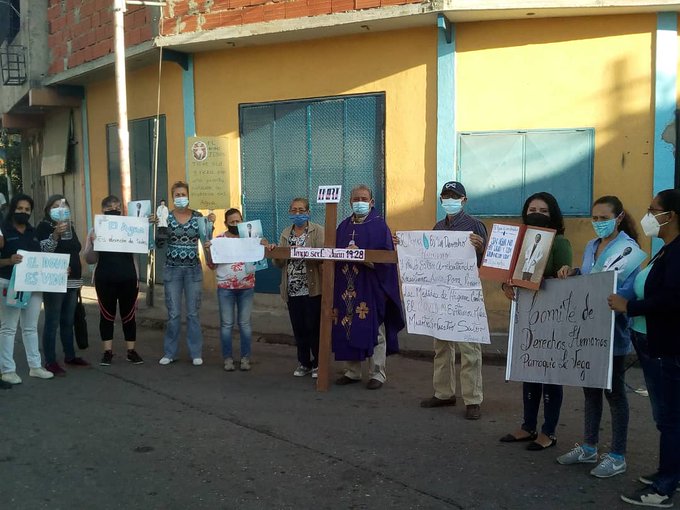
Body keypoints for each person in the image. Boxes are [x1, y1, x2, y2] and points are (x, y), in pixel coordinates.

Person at [555, 196, 640, 478]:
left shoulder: (629, 249)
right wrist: (574, 272)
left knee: (614, 394)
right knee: (590, 390)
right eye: (595, 218)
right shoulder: (592, 246)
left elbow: (627, 290)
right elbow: (590, 277)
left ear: (618, 218)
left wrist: (610, 300)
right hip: (587, 330)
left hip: (613, 332)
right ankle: (589, 446)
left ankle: (617, 455)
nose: (598, 223)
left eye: (604, 218)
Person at [609, 189, 680, 507]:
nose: (648, 215)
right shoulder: (667, 249)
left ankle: (664, 488)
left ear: (671, 215)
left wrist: (629, 306)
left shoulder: (678, 252)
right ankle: (669, 473)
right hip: (652, 341)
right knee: (666, 416)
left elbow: (671, 300)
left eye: (653, 210)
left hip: (668, 344)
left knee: (670, 418)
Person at [499, 192, 572, 450]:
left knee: (550, 374)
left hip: (550, 317)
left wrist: (560, 276)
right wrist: (505, 285)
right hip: (525, 316)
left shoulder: (560, 243)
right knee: (528, 370)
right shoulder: (519, 242)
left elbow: (565, 281)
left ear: (552, 215)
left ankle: (549, 431)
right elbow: (509, 275)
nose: (537, 214)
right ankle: (527, 426)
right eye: (532, 209)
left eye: (543, 210)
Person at [419, 181, 487, 420]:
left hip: (466, 294)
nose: (449, 199)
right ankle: (443, 393)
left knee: (469, 347)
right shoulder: (437, 228)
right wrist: (407, 246)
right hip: (442, 293)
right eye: (445, 196)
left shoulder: (475, 226)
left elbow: (487, 261)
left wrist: (481, 247)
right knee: (442, 345)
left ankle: (473, 399)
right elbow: (427, 256)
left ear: (464, 200)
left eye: (454, 196)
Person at [333, 185, 404, 390]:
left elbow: (387, 260)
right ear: (350, 202)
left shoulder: (379, 226)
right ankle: (352, 371)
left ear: (372, 202)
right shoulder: (343, 227)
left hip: (371, 285)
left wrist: (363, 256)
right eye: (356, 198)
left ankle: (377, 373)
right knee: (348, 326)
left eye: (364, 198)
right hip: (346, 286)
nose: (360, 202)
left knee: (375, 329)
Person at [83, 196, 144, 366]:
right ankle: (107, 352)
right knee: (107, 316)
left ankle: (131, 351)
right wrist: (94, 243)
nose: (114, 209)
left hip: (129, 278)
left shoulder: (130, 227)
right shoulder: (94, 230)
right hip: (105, 279)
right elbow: (89, 259)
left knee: (129, 315)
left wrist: (146, 226)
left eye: (117, 206)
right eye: (110, 207)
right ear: (103, 211)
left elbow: (144, 244)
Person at [0, 194, 54, 383]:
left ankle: (35, 367)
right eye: (20, 208)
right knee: (8, 328)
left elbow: (40, 257)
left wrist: (58, 269)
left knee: (30, 327)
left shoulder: (33, 232)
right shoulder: (3, 231)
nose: (23, 212)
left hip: (33, 285)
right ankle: (7, 370)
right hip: (9, 283)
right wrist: (8, 260)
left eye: (27, 210)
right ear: (12, 209)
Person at [272, 198, 324, 378]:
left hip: (312, 287)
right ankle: (304, 363)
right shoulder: (286, 233)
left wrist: (304, 252)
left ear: (308, 212)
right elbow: (279, 263)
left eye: (301, 210)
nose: (298, 213)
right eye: (294, 210)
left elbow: (323, 256)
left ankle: (318, 363)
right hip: (292, 288)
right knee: (298, 328)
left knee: (314, 327)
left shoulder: (317, 231)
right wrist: (277, 252)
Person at [37, 195, 89, 376]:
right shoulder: (44, 226)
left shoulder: (70, 225)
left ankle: (70, 355)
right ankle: (50, 361)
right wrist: (55, 235)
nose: (61, 208)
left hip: (73, 280)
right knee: (52, 322)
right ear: (48, 209)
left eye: (64, 205)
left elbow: (75, 248)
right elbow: (43, 250)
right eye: (56, 205)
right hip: (54, 281)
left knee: (68, 321)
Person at [159, 181, 206, 366]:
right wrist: (155, 226)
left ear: (188, 196)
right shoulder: (166, 217)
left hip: (193, 270)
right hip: (172, 270)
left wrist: (211, 259)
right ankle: (170, 353)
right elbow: (158, 244)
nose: (180, 198)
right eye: (177, 195)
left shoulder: (198, 216)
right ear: (172, 198)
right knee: (174, 314)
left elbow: (206, 239)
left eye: (183, 194)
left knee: (193, 313)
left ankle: (196, 352)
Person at [206, 208, 257, 372]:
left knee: (245, 324)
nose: (235, 224)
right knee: (226, 324)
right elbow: (212, 265)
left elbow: (260, 259)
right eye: (232, 222)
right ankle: (227, 358)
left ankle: (245, 358)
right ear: (226, 223)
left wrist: (262, 245)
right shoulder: (219, 240)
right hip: (225, 288)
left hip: (246, 287)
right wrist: (208, 250)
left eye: (238, 221)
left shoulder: (250, 238)